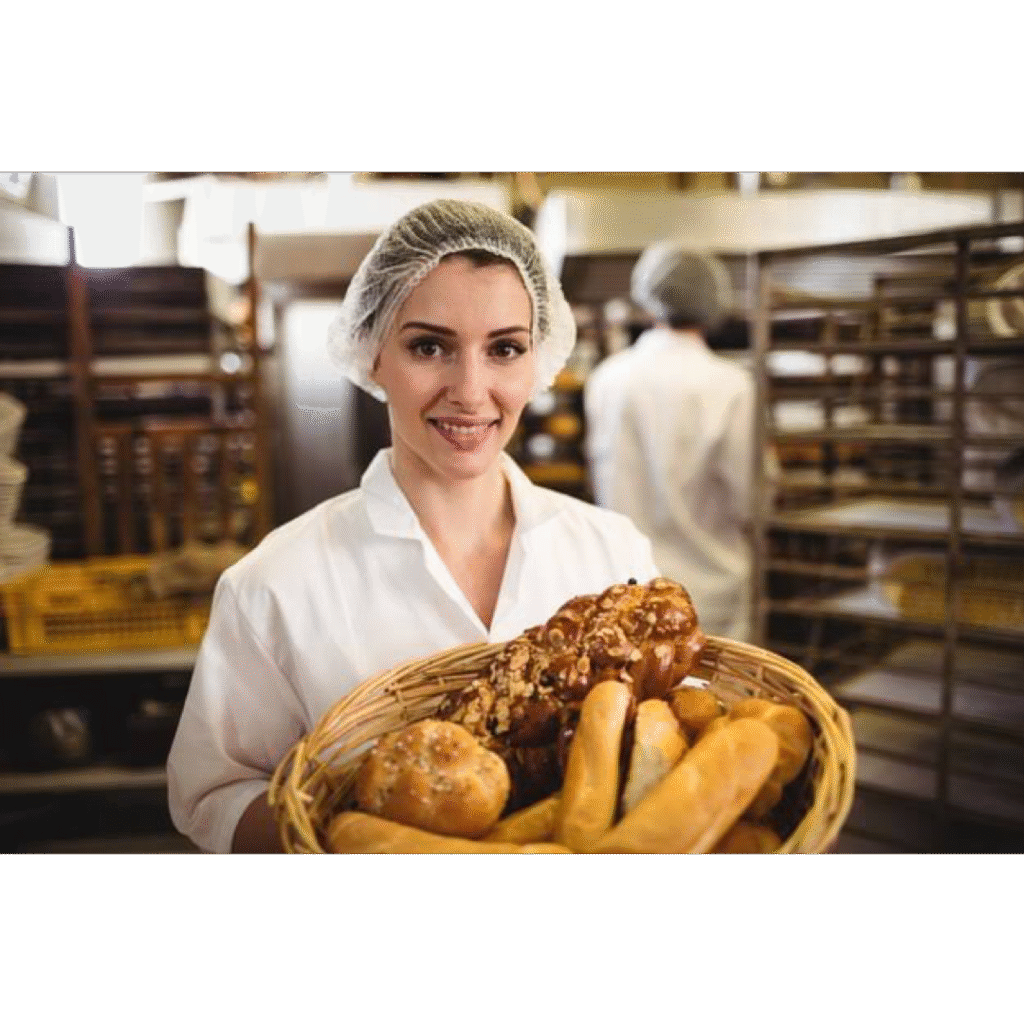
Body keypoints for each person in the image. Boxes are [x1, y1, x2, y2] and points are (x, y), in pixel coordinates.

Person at [166, 199, 661, 854]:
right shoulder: (274, 585)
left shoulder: (611, 552)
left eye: (505, 349)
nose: (470, 389)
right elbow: (214, 793)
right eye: (430, 346)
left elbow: (666, 748)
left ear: (538, 363)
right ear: (373, 354)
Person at [584, 244, 773, 644]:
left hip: (626, 588)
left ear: (648, 299)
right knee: (715, 705)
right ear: (712, 304)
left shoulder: (608, 379)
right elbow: (752, 499)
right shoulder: (732, 385)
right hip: (711, 591)